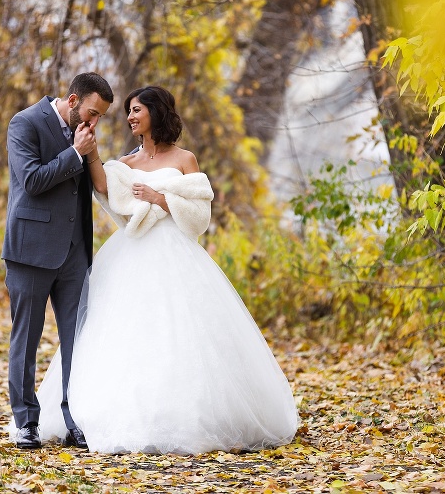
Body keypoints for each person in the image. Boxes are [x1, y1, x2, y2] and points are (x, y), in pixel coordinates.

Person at [34, 85, 299, 454]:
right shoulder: (127, 164)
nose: (130, 117)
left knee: (183, 330)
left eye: (136, 109)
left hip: (176, 251)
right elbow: (103, 186)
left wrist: (161, 199)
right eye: (128, 111)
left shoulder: (185, 159)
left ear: (156, 112)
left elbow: (201, 213)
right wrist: (91, 152)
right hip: (133, 251)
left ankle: (193, 414)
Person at [2, 72, 114, 449]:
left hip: (74, 255)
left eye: (100, 117)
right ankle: (26, 423)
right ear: (71, 100)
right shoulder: (25, 123)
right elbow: (31, 180)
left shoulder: (83, 135)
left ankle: (74, 418)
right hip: (30, 252)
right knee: (26, 341)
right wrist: (75, 153)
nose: (95, 123)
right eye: (92, 113)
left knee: (77, 343)